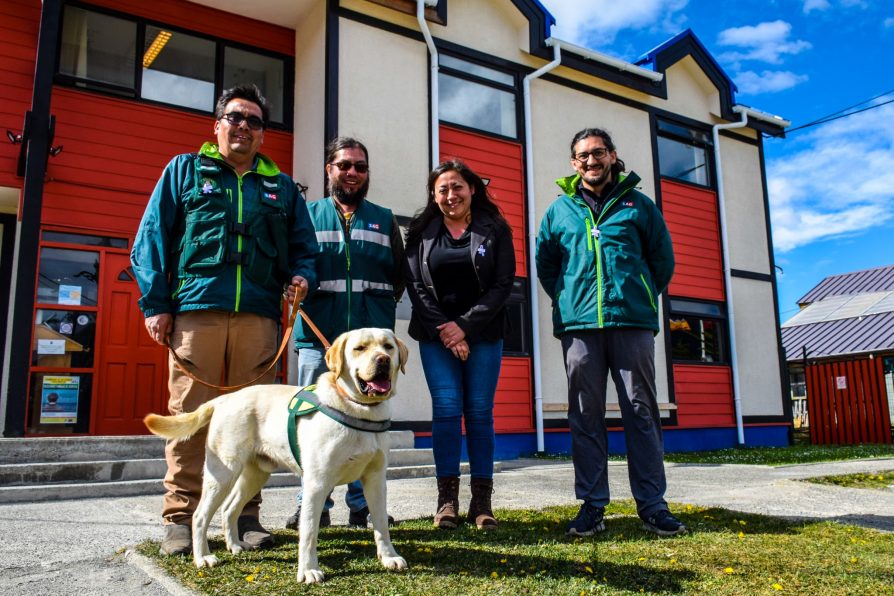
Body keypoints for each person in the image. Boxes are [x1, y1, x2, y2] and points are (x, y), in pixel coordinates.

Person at [131, 84, 319, 555]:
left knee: (256, 424)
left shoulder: (280, 187)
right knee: (192, 417)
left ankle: (246, 516)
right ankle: (180, 518)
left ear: (262, 135)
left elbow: (305, 249)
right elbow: (152, 237)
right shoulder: (184, 171)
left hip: (259, 320)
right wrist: (156, 304)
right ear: (217, 125)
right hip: (197, 315)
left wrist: (301, 276)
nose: (243, 127)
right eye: (235, 117)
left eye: (254, 121)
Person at [535, 127, 686, 537]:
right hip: (579, 327)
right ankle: (592, 505)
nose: (590, 161)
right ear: (573, 163)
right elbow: (547, 266)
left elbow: (662, 262)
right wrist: (570, 299)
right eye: (582, 155)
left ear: (613, 156)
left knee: (641, 412)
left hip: (632, 323)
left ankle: (653, 505)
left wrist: (635, 295)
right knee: (585, 416)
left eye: (597, 153)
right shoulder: (559, 211)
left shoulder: (640, 205)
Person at [285, 137, 404, 530]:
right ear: (329, 169)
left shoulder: (385, 219)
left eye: (360, 166)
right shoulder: (306, 214)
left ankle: (363, 507)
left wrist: (378, 312)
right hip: (318, 340)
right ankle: (312, 505)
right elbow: (294, 265)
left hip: (367, 347)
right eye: (344, 165)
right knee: (312, 425)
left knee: (366, 424)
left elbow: (399, 276)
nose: (352, 172)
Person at [404, 160, 515, 530]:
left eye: (457, 187)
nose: (450, 195)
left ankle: (481, 503)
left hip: (483, 333)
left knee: (480, 411)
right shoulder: (421, 232)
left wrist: (464, 327)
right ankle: (446, 502)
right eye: (442, 190)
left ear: (471, 189)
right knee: (448, 408)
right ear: (434, 197)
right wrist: (446, 330)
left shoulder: (495, 228)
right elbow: (416, 287)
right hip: (435, 335)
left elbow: (503, 285)